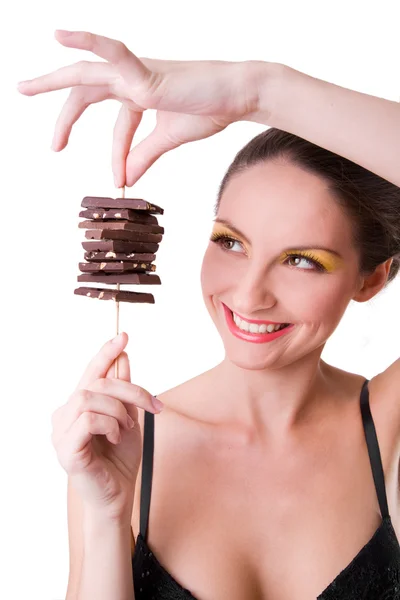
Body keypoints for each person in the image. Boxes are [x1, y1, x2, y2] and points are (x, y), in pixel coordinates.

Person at [18, 30, 400, 600]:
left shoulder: (389, 430)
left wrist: (257, 90)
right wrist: (105, 515)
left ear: (371, 277)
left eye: (301, 260)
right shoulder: (120, 445)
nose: (248, 295)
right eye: (232, 242)